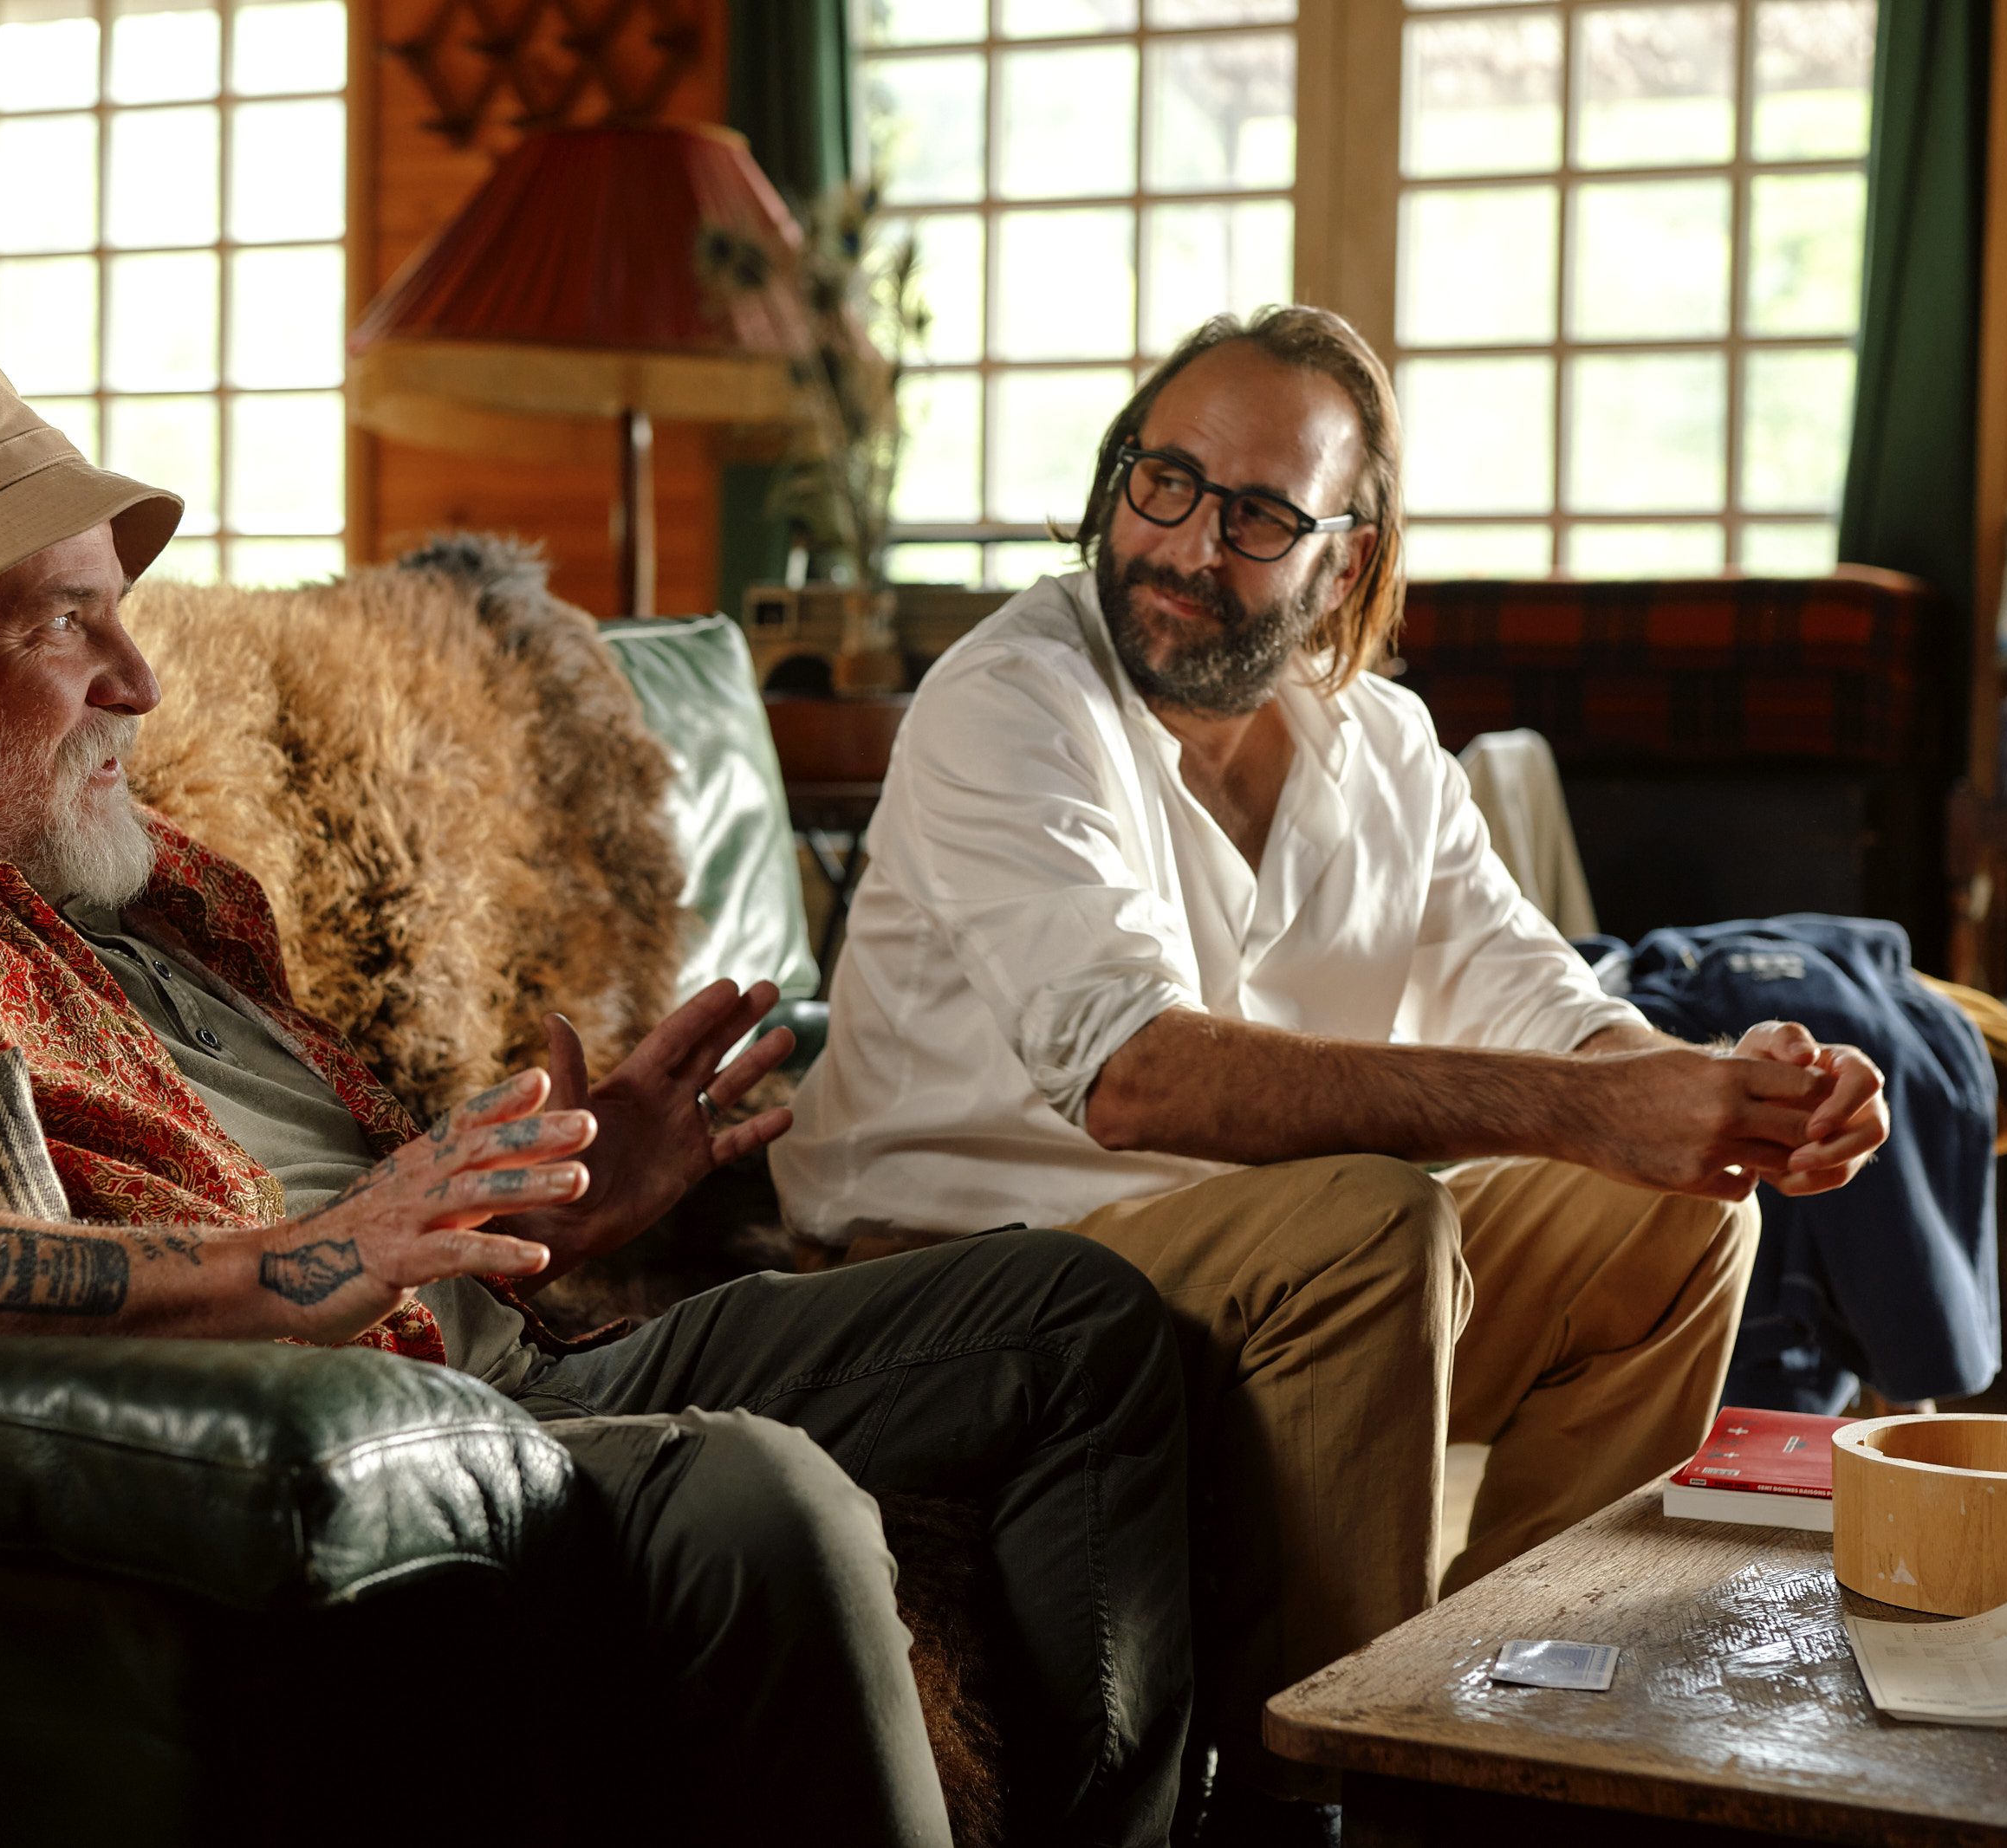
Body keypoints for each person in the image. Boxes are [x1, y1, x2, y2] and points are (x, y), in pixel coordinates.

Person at [0, 343, 1195, 1848]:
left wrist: (538, 1204)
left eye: (121, 613)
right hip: (338, 1434)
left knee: (1081, 1321)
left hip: (511, 1349)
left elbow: (342, 1208)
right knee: (765, 1498)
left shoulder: (155, 885)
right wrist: (306, 1267)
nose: (139, 679)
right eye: (61, 623)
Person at [771, 305, 1893, 1829]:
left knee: (1681, 1208)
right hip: (959, 1286)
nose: (1184, 544)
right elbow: (1133, 1076)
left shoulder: (1386, 747)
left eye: (1257, 515)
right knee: (1376, 1218)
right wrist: (1593, 1107)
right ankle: (1322, 1789)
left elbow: (1547, 1006)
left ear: (1344, 562)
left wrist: (1713, 1093)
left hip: (1258, 1276)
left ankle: (1516, 1731)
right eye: (1163, 480)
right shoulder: (1010, 699)